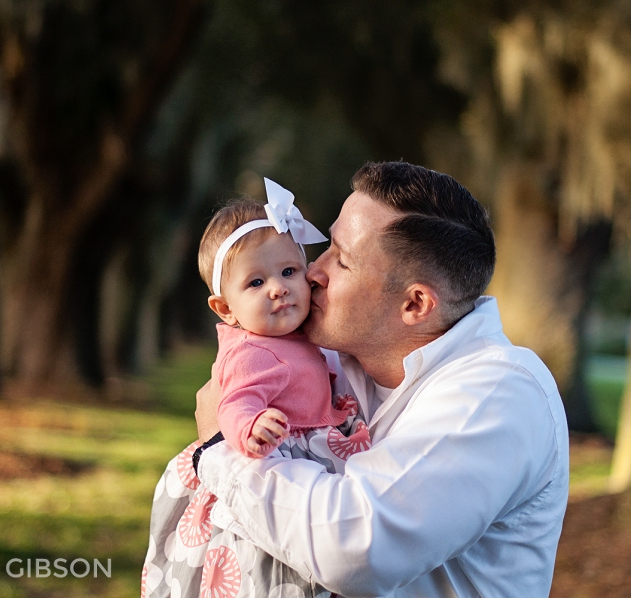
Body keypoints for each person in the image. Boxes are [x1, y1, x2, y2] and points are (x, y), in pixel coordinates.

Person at [193, 161, 570, 597]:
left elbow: (355, 548)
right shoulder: (333, 361)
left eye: (342, 261)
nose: (314, 270)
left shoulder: (501, 392)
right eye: (326, 246)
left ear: (414, 304)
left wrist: (220, 449)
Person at [142, 179, 370, 598]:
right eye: (255, 283)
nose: (278, 288)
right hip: (275, 458)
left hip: (308, 447)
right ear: (225, 309)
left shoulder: (295, 338)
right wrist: (251, 427)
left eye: (288, 272)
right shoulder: (253, 352)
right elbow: (231, 402)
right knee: (271, 569)